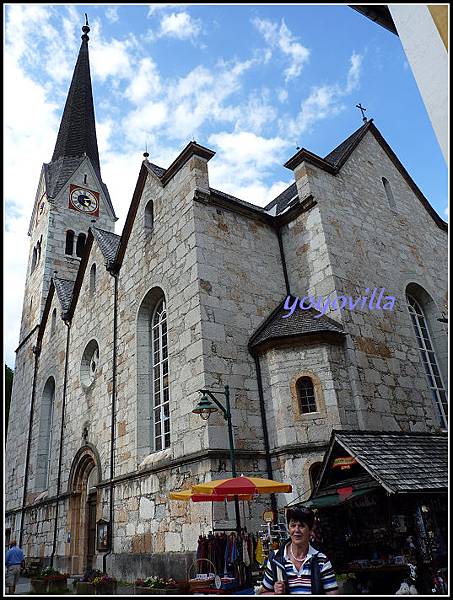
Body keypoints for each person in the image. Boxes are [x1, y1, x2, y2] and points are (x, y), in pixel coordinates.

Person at [258, 506, 339, 595]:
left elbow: (333, 593)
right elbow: (262, 593)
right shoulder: (276, 559)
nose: (296, 530)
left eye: (302, 526)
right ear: (288, 529)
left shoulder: (321, 561)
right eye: (293, 525)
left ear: (311, 530)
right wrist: (275, 593)